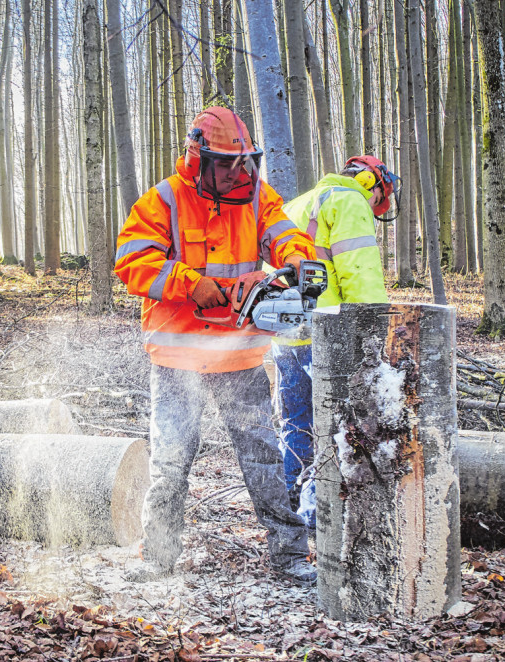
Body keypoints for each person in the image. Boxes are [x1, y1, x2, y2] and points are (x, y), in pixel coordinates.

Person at [113, 107, 318, 584]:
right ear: (199, 158)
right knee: (170, 461)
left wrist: (281, 270)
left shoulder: (257, 199)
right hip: (178, 357)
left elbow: (290, 240)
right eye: (226, 163)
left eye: (243, 162)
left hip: (238, 354)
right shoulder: (164, 200)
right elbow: (131, 260)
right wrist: (190, 284)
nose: (236, 172)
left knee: (264, 455)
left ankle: (289, 556)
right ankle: (159, 557)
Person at [270, 156, 400, 528]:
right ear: (370, 183)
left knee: (296, 420)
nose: (374, 205)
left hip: (286, 332)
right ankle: (318, 512)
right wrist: (374, 333)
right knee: (335, 423)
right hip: (328, 332)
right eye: (377, 197)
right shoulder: (349, 200)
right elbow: (359, 273)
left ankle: (289, 500)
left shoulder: (299, 203)